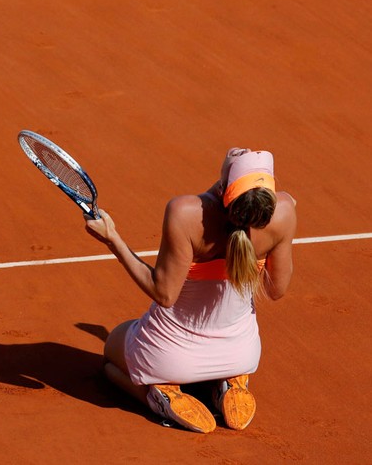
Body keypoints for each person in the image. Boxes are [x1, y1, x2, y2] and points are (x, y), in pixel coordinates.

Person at [84, 148, 297, 433]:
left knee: (111, 355)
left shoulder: (184, 213)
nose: (242, 149)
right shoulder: (284, 211)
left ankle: (156, 400)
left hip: (168, 358)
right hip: (240, 355)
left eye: (242, 153)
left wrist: (113, 239)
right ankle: (225, 386)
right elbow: (276, 289)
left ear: (224, 187)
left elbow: (164, 293)